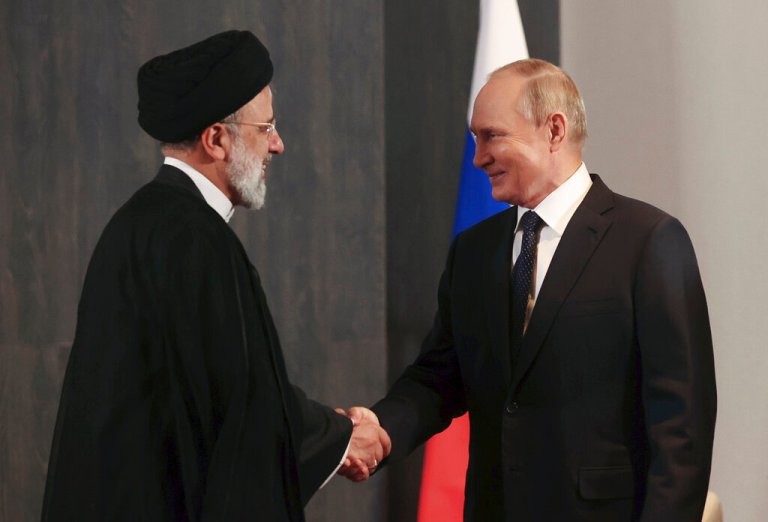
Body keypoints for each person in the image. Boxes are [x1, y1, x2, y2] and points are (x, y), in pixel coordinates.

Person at [343, 59, 717, 520]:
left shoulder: (648, 240)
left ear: (554, 130)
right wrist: (381, 429)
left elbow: (682, 426)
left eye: (491, 135)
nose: (478, 157)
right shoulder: (473, 252)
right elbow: (438, 377)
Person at [42, 29, 389, 522]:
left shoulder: (139, 224)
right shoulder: (196, 242)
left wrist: (329, 432)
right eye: (266, 128)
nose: (279, 145)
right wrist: (342, 436)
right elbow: (243, 407)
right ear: (217, 138)